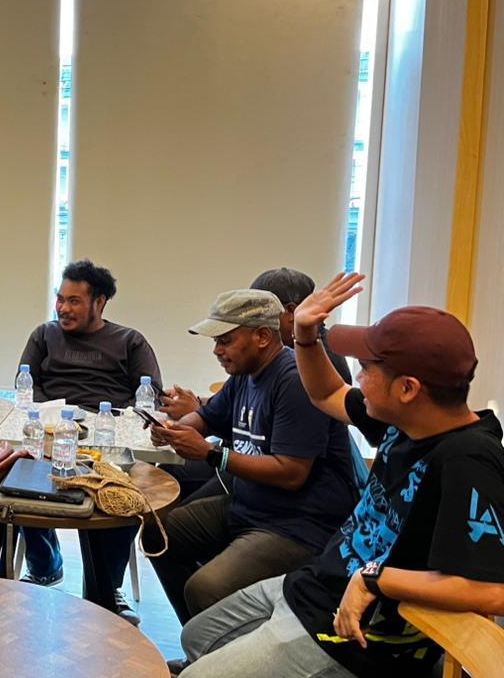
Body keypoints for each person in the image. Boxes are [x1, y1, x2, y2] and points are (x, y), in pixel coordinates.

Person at [178, 274, 504, 678]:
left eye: (366, 369)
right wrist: (304, 336)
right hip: (313, 587)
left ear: (407, 388)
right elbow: (325, 393)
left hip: (352, 637)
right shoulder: (406, 421)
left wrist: (375, 580)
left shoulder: (468, 459)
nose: (356, 379)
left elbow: (494, 590)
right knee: (195, 638)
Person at [145, 288, 356, 625]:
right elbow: (207, 417)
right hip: (250, 508)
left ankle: (217, 646)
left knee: (205, 589)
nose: (217, 350)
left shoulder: (294, 381)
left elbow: (292, 473)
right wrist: (173, 429)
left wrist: (213, 454)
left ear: (262, 337)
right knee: (157, 534)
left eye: (225, 340)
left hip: (297, 526)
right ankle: (204, 640)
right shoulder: (245, 375)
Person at [16, 260, 162, 625]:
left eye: (74, 301)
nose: (63, 308)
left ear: (100, 302)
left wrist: (106, 422)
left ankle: (106, 587)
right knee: (19, 479)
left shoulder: (129, 341)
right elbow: (26, 386)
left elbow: (151, 398)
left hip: (108, 438)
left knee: (127, 496)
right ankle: (45, 566)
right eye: (60, 299)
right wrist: (52, 418)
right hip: (53, 433)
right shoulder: (44, 335)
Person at [159, 267, 352, 421]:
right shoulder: (262, 358)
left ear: (291, 312)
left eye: (261, 311)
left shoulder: (319, 362)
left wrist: (198, 413)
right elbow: (241, 402)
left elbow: (277, 422)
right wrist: (198, 403)